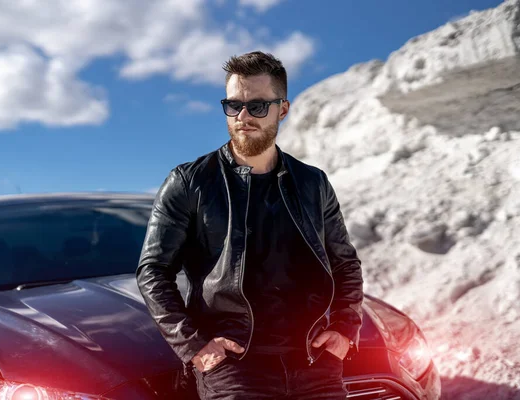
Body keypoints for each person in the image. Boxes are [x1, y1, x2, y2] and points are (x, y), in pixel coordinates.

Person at [136, 51, 364, 400]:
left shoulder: (313, 183)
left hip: (314, 362)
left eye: (257, 106)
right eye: (233, 105)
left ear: (282, 110)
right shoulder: (189, 181)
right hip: (235, 369)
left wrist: (345, 329)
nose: (243, 116)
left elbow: (345, 263)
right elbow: (153, 271)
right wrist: (194, 345)